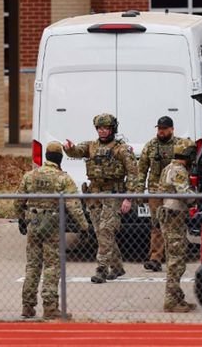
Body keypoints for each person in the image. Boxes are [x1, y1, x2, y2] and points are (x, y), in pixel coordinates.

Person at [15, 141, 89, 320]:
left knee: (32, 265)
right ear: (60, 158)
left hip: (33, 222)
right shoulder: (62, 178)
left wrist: (21, 219)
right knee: (52, 266)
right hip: (52, 225)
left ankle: (27, 306)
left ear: (47, 156)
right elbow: (74, 205)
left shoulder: (30, 175)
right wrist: (83, 226)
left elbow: (18, 200)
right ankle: (50, 307)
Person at [64, 113, 138, 284]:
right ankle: (117, 267)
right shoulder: (91, 146)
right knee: (100, 233)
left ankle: (101, 270)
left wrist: (129, 198)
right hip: (94, 196)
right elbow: (76, 151)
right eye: (99, 128)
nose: (102, 131)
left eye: (106, 128)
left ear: (113, 129)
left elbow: (133, 174)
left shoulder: (122, 149)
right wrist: (68, 147)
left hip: (113, 195)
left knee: (105, 230)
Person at [157, 138, 198, 313]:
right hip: (174, 216)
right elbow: (184, 193)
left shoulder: (168, 167)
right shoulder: (179, 170)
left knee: (174, 257)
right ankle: (171, 300)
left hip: (168, 214)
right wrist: (197, 197)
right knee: (176, 261)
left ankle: (177, 297)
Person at [136, 116, 180, 272]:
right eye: (159, 129)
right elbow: (141, 170)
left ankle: (174, 257)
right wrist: (139, 192)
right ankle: (155, 258)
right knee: (156, 225)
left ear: (171, 129)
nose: (160, 132)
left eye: (163, 129)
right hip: (155, 191)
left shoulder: (179, 145)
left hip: (173, 192)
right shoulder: (151, 146)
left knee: (173, 225)